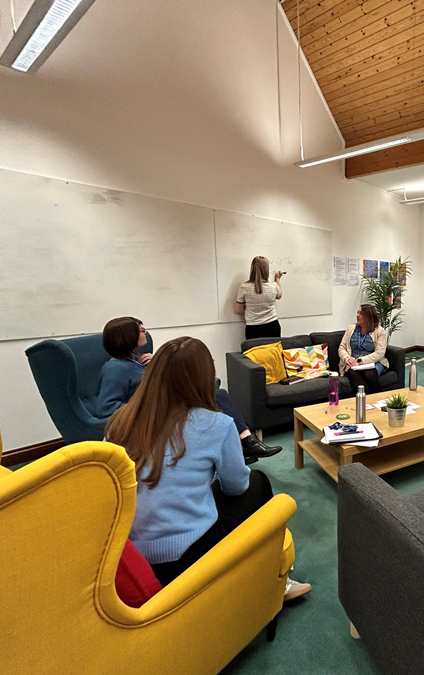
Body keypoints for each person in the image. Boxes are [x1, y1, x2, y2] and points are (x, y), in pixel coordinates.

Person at [105, 336, 311, 600]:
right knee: (259, 482)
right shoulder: (218, 424)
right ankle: (275, 579)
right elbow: (237, 487)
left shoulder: (118, 422)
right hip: (188, 556)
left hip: (131, 554)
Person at [97, 316, 281, 461]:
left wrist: (155, 364)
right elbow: (106, 408)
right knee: (217, 396)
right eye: (139, 329)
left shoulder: (135, 361)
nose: (145, 330)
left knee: (217, 395)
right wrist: (146, 406)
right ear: (126, 337)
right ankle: (245, 443)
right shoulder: (116, 369)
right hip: (154, 415)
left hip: (163, 406)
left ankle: (243, 443)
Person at [338, 305, 389, 395]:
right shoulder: (351, 329)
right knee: (357, 379)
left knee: (370, 374)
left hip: (373, 362)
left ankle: (381, 400)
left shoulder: (380, 331)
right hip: (352, 362)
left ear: (369, 317)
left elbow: (380, 353)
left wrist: (360, 361)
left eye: (361, 313)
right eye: (358, 312)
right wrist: (347, 359)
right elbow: (342, 347)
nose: (357, 315)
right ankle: (365, 404)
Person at [235, 256, 284, 340]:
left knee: (255, 353)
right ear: (266, 270)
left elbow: (238, 310)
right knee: (273, 352)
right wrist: (277, 279)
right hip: (272, 326)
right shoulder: (273, 286)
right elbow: (279, 295)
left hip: (253, 328)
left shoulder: (244, 287)